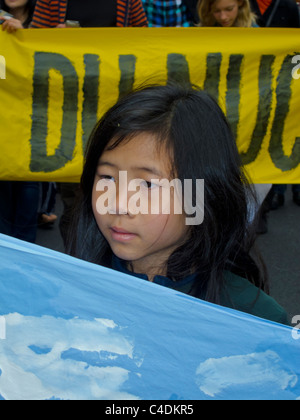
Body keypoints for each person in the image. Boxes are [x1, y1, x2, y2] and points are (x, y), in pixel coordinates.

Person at [67, 84, 289, 326]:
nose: (119, 204)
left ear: (201, 197)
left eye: (149, 185)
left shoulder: (256, 319)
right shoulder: (64, 288)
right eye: (107, 177)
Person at [29, 0, 148, 246]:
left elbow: (144, 40)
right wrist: (53, 37)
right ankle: (77, 261)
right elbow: (32, 44)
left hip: (113, 109)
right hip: (69, 112)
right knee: (74, 199)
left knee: (113, 186)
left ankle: (108, 257)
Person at [0, 0, 39, 244]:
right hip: (5, 112)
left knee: (29, 180)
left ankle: (25, 245)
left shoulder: (44, 18)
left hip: (35, 112)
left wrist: (27, 36)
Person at [30, 0, 148, 28]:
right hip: (67, 75)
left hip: (114, 75)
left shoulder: (128, 2)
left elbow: (142, 38)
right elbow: (36, 38)